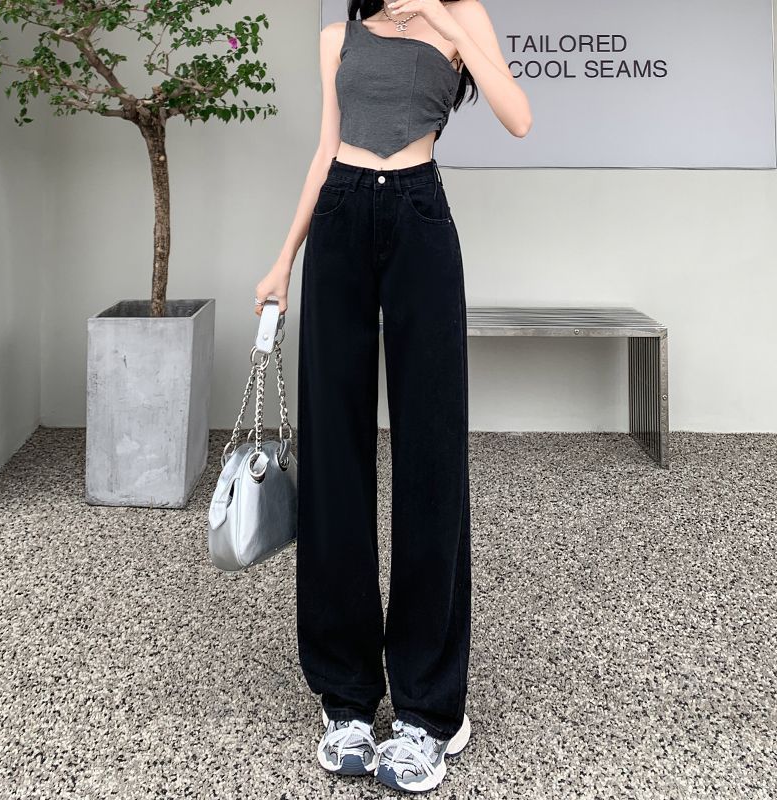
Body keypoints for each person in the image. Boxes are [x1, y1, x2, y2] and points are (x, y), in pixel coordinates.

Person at [254, 0, 532, 792]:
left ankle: (427, 711)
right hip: (341, 217)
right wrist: (283, 260)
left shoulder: (460, 19)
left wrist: (448, 19)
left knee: (431, 457)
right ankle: (345, 699)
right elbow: (324, 150)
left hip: (419, 216)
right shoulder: (338, 37)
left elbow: (518, 117)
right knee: (335, 461)